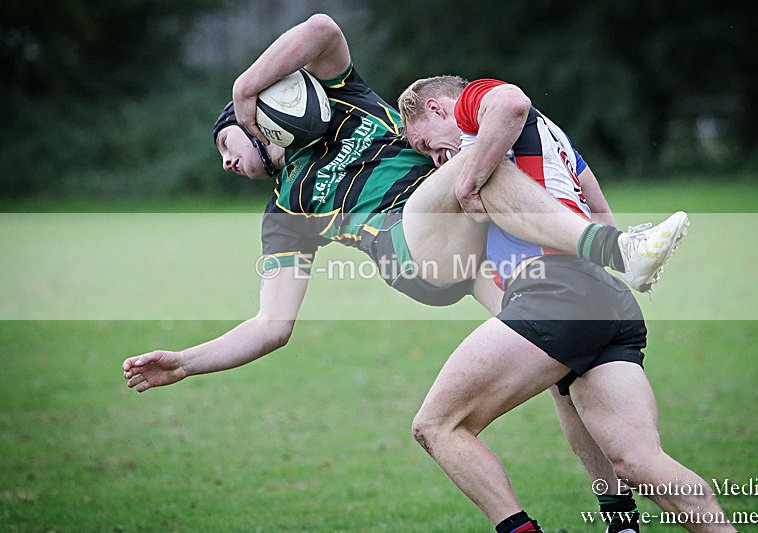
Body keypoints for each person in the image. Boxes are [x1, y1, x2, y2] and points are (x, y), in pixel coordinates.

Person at [123, 14, 688, 531]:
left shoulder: (350, 100)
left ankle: (619, 517)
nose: (225, 161)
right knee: (475, 162)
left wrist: (243, 91)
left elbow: (321, 27)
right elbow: (272, 325)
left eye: (226, 142)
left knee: (568, 367)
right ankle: (614, 249)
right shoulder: (286, 211)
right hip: (411, 246)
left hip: (473, 258)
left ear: (266, 117)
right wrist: (185, 363)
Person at [398, 75, 734, 533]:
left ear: (438, 109)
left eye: (426, 143)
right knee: (639, 460)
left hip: (554, 292)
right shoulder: (554, 138)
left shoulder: (473, 112)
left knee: (437, 426)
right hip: (604, 297)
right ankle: (630, 525)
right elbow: (597, 208)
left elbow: (512, 102)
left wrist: (468, 184)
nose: (436, 158)